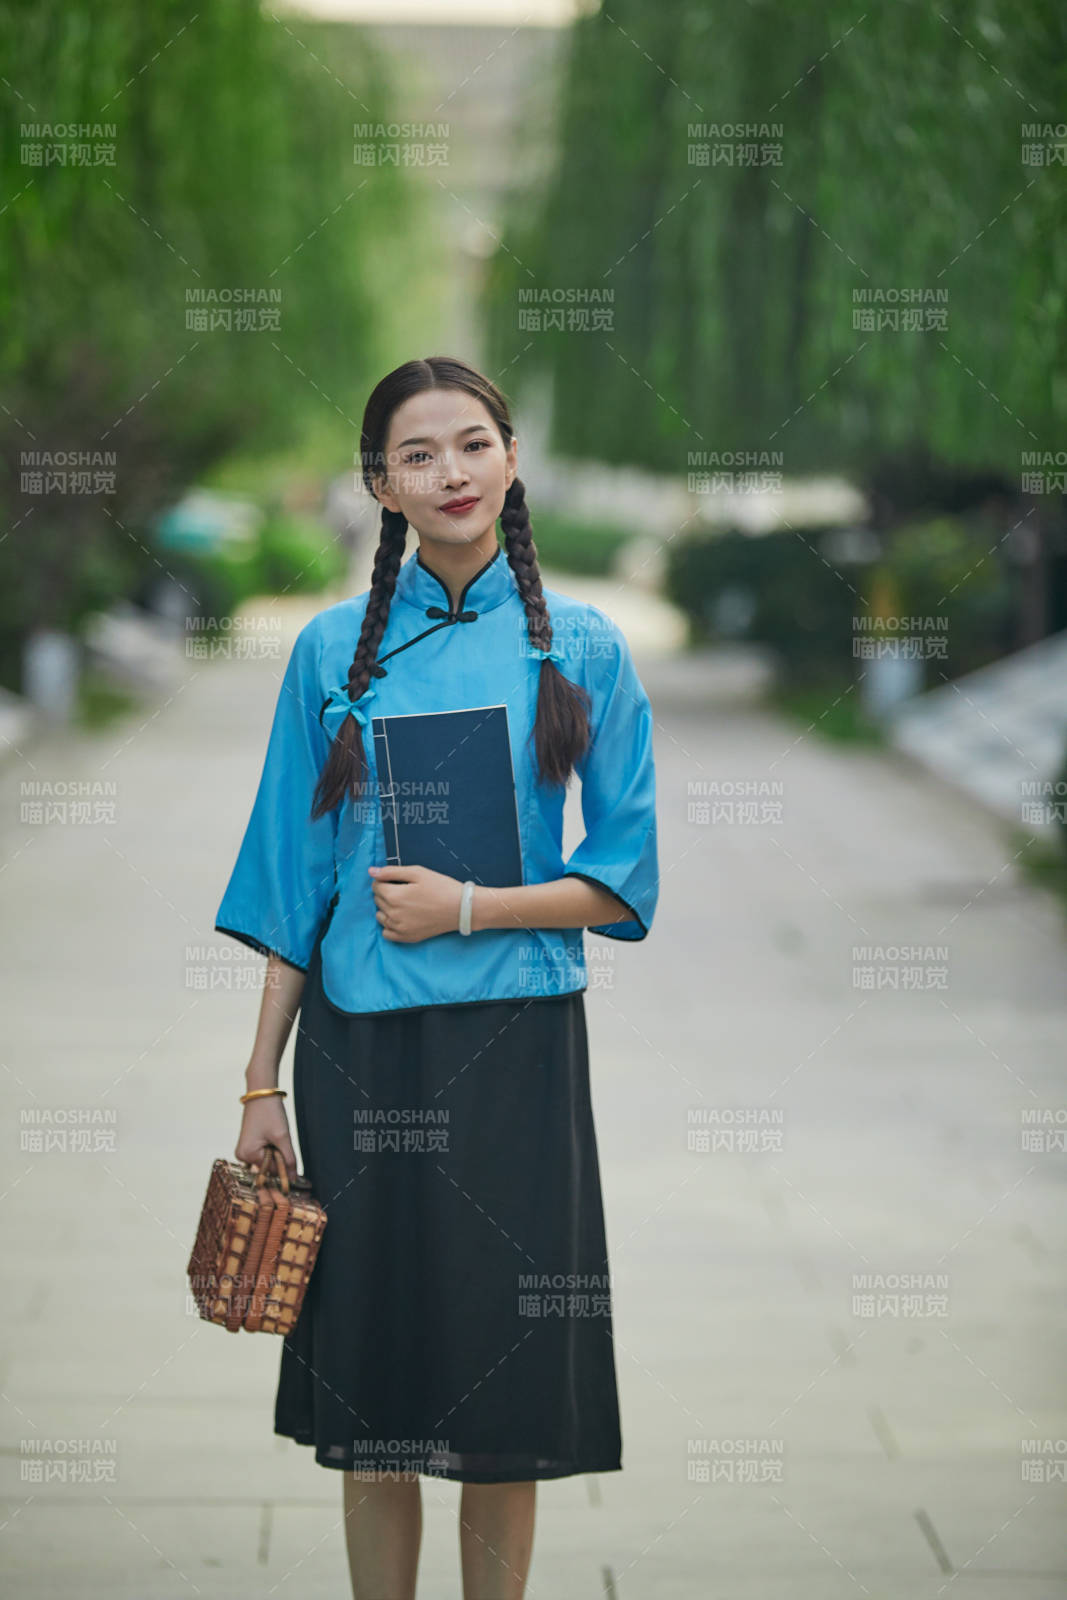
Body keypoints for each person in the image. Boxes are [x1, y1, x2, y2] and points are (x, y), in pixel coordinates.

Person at [213, 355, 660, 1600]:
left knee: (504, 1376)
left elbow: (623, 878)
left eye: (472, 443)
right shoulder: (327, 656)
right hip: (362, 1055)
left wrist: (470, 904)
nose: (450, 472)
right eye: (419, 454)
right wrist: (258, 1082)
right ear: (379, 484)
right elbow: (290, 881)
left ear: (511, 457)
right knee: (379, 1381)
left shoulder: (582, 648)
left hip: (516, 1049)